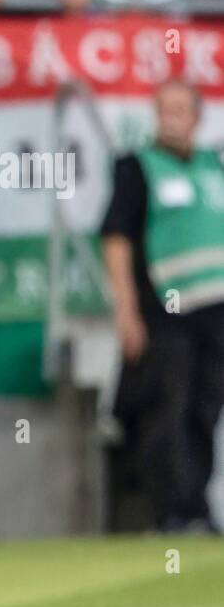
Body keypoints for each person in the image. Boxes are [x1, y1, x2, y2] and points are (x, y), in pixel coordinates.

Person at [101, 80, 224, 533]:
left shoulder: (215, 166)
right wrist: (126, 310)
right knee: (166, 408)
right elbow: (116, 239)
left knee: (205, 411)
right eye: (163, 109)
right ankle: (167, 511)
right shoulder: (137, 167)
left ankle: (197, 509)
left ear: (197, 117)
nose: (171, 117)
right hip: (165, 309)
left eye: (180, 109)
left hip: (215, 311)